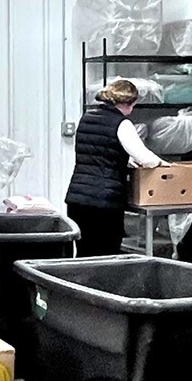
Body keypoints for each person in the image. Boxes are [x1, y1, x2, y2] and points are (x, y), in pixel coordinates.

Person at [64, 80, 168, 257]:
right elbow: (144, 158)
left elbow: (98, 153)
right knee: (106, 256)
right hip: (103, 202)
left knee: (84, 254)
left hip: (78, 200)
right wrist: (165, 165)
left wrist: (124, 161)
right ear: (130, 103)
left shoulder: (87, 117)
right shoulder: (121, 124)